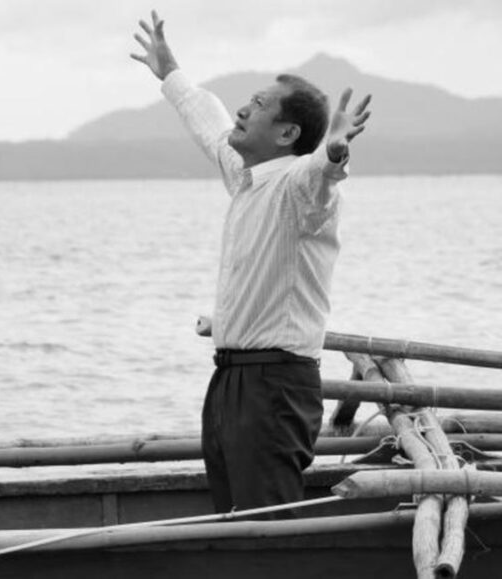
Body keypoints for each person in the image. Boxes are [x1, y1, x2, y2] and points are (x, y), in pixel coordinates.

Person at [131, 12, 372, 517]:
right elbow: (209, 120)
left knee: (266, 529)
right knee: (234, 520)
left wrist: (334, 152)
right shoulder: (247, 174)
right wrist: (169, 71)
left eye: (258, 105)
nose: (244, 109)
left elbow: (320, 177)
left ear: (286, 133)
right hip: (231, 381)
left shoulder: (298, 188)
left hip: (274, 385)